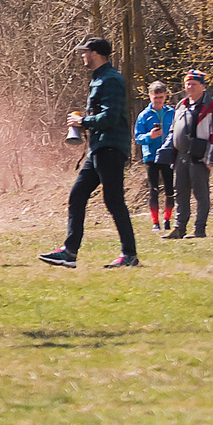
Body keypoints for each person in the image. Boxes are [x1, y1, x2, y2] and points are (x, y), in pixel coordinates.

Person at [41, 37, 140, 269]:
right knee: (77, 196)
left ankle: (130, 254)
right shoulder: (100, 79)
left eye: (85, 52)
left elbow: (111, 117)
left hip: (110, 148)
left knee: (114, 201)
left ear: (95, 53)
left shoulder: (111, 80)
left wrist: (83, 120)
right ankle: (69, 252)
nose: (83, 56)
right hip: (98, 148)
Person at [167, 70, 213, 239]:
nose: (189, 87)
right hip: (181, 156)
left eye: (193, 84)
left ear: (203, 87)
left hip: (199, 156)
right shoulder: (181, 105)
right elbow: (173, 130)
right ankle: (179, 227)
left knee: (200, 193)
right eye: (187, 83)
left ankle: (199, 229)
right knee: (180, 192)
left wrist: (211, 158)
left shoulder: (211, 107)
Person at [135, 79, 175, 233]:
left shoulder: (172, 113)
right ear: (150, 97)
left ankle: (167, 220)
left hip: (168, 155)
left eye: (161, 97)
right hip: (151, 156)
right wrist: (149, 137)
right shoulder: (143, 116)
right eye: (155, 97)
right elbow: (137, 137)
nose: (158, 101)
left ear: (165, 97)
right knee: (154, 189)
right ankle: (155, 222)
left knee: (170, 189)